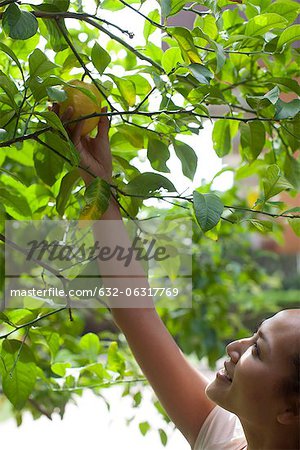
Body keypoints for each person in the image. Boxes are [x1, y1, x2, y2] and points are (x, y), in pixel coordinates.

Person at [58, 105, 300, 450]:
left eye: (258, 350)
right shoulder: (222, 436)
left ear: (292, 409)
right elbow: (134, 310)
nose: (234, 347)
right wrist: (100, 188)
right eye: (252, 336)